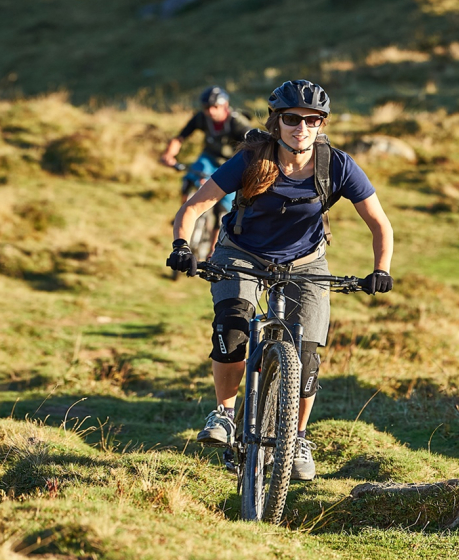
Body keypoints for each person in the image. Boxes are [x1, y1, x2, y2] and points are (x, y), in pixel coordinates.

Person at [166, 80, 395, 481]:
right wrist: (182, 245)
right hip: (240, 253)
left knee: (306, 356)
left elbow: (379, 223)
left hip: (305, 262)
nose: (301, 127)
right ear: (277, 121)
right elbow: (194, 207)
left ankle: (298, 437)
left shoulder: (337, 165)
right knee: (232, 328)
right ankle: (223, 415)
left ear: (322, 124)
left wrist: (381, 269)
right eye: (291, 119)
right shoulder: (252, 158)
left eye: (312, 120)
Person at [160, 86, 251, 252]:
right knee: (190, 177)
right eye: (207, 108)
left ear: (225, 105)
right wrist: (169, 155)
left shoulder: (236, 122)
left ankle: (212, 251)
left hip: (230, 163)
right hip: (208, 158)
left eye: (214, 107)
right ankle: (182, 214)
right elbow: (180, 137)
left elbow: (253, 145)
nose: (210, 111)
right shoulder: (202, 118)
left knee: (223, 209)